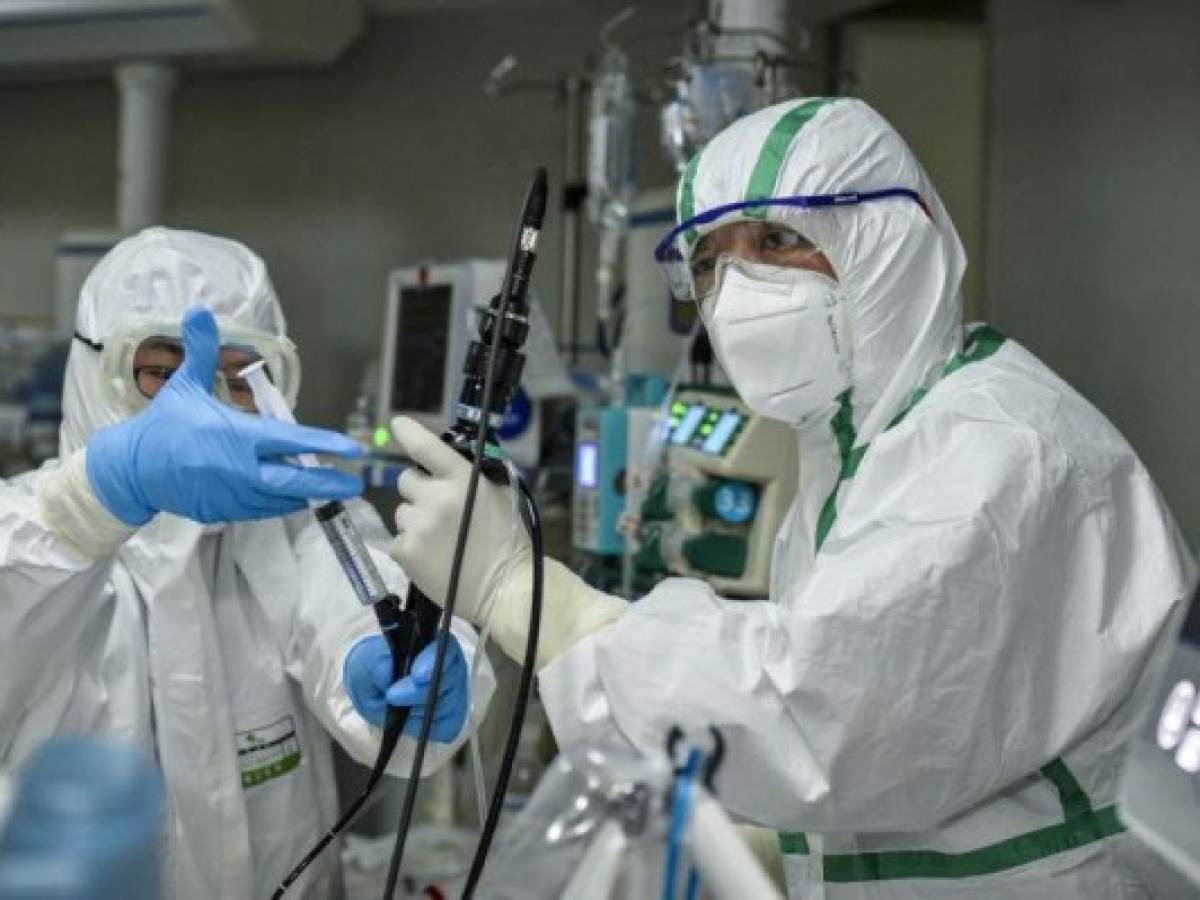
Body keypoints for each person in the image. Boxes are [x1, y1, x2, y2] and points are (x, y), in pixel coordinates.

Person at [387, 98, 1195, 898]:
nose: (737, 288)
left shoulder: (997, 452)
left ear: (885, 243)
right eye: (708, 262)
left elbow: (816, 715)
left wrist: (525, 595)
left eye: (778, 240)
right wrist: (774, 850)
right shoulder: (864, 453)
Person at [0, 227, 494, 899]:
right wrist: (98, 498)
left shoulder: (294, 528)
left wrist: (392, 667)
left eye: (236, 379)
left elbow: (364, 595)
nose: (199, 408)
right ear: (95, 374)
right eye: (162, 373)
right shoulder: (38, 539)